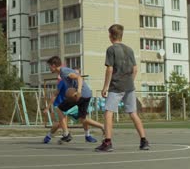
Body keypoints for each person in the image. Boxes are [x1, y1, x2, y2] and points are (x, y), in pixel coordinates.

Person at [95, 24, 149, 152]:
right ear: (121, 35)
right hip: (129, 86)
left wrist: (105, 87)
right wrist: (129, 81)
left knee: (108, 112)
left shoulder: (111, 49)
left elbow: (109, 69)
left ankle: (107, 142)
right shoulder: (129, 50)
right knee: (133, 113)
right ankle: (144, 141)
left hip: (116, 86)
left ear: (111, 35)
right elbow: (135, 69)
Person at [46, 56, 104, 144]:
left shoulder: (64, 71)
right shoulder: (62, 73)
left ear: (53, 65)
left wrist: (79, 91)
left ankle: (66, 134)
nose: (49, 68)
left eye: (49, 66)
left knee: (59, 109)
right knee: (83, 119)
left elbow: (79, 78)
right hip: (86, 94)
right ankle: (102, 126)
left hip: (80, 95)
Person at [42, 76, 99, 144]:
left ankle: (87, 135)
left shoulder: (76, 84)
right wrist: (48, 107)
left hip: (70, 105)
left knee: (83, 117)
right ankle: (49, 136)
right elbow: (55, 94)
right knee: (57, 123)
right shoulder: (63, 82)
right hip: (59, 105)